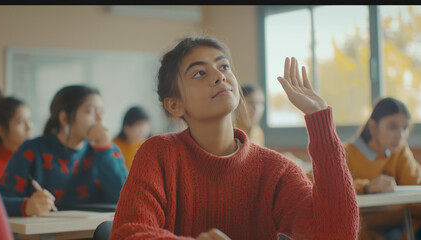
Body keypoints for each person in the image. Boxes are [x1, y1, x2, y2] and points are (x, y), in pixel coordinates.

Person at [110, 36, 359, 239]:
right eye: (199, 73)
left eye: (224, 66)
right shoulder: (157, 153)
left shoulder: (277, 170)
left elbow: (337, 234)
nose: (220, 76)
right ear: (174, 105)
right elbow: (127, 234)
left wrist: (320, 121)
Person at [0, 85, 128, 217]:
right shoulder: (31, 151)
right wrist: (25, 206)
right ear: (65, 118)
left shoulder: (108, 151)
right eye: (90, 112)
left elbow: (127, 200)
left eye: (102, 112)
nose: (100, 120)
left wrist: (104, 150)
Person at [344, 97, 421, 239]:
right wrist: (366, 187)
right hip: (362, 232)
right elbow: (318, 186)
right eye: (392, 127)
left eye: (405, 128)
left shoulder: (399, 150)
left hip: (402, 227)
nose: (400, 135)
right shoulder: (345, 153)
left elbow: (416, 183)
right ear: (373, 127)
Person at [0, 89, 32, 181]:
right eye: (21, 122)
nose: (29, 127)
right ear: (1, 130)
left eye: (29, 120)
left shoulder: (31, 158)